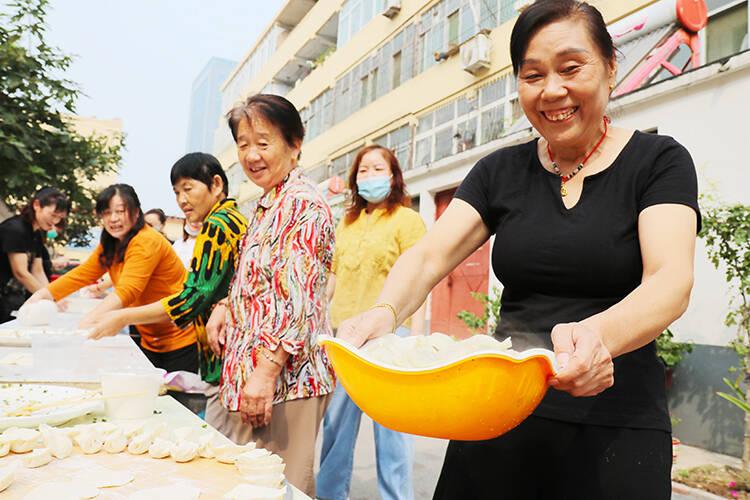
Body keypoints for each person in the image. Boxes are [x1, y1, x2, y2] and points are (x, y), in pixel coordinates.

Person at [337, 1, 700, 498]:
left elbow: (670, 280)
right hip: (500, 413)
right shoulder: (498, 171)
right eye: (533, 75)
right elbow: (428, 256)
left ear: (611, 65)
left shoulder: (659, 162)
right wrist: (385, 310)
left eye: (571, 68)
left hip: (616, 419)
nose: (552, 91)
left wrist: (596, 337)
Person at [205, 94, 335, 496]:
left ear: (294, 144)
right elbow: (262, 281)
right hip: (256, 376)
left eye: (263, 142)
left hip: (288, 382)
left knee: (282, 488)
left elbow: (299, 301)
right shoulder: (267, 203)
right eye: (243, 143)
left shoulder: (304, 205)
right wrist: (226, 306)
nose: (251, 154)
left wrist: (266, 372)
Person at [87, 153, 248, 426]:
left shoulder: (217, 225)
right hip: (228, 353)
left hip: (225, 358)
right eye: (176, 192)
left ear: (216, 185)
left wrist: (122, 317)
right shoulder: (233, 219)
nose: (182, 200)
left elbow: (191, 298)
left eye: (189, 188)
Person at [317, 145, 426, 500]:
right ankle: (330, 495)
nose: (369, 176)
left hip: (390, 338)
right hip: (345, 337)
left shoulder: (407, 220)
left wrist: (417, 339)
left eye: (377, 168)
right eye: (362, 171)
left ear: (393, 175)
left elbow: (421, 275)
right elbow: (333, 275)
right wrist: (318, 317)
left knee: (392, 432)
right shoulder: (346, 222)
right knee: (335, 427)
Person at [26, 184, 198, 373]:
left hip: (180, 338)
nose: (113, 219)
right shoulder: (112, 241)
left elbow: (127, 291)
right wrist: (42, 294)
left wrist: (84, 326)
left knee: (173, 400)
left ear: (135, 212)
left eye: (120, 211)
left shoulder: (145, 241)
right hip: (150, 336)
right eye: (107, 213)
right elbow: (83, 274)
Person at [0, 187, 70, 322]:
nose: (54, 222)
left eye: (59, 218)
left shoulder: (36, 233)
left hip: (11, 297)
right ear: (36, 205)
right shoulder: (15, 229)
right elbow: (21, 273)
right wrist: (51, 298)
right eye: (53, 215)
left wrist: (51, 295)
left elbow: (38, 271)